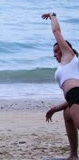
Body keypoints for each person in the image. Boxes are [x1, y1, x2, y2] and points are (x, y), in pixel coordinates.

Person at [42, 12, 79, 160]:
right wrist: (56, 108)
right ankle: (73, 155)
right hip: (73, 97)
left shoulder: (69, 56)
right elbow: (71, 93)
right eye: (53, 52)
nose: (55, 54)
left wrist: (53, 16)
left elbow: (56, 31)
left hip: (76, 95)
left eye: (57, 51)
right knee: (67, 115)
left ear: (65, 49)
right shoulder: (69, 67)